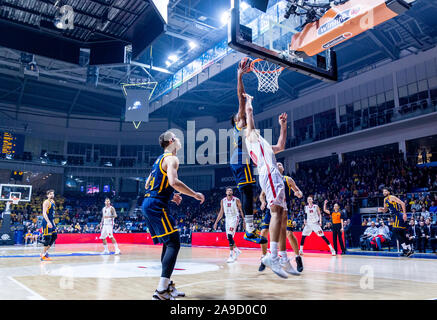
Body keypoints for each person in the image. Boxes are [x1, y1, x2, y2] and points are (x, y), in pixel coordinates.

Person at [142, 130, 205, 300]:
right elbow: (173, 182)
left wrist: (170, 196)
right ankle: (161, 290)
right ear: (171, 141)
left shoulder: (158, 160)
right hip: (156, 205)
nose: (178, 140)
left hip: (149, 203)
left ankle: (167, 285)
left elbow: (148, 183)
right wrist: (194, 194)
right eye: (176, 138)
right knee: (174, 243)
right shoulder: (172, 158)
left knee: (168, 242)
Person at [243, 92, 291, 278]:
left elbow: (281, 146)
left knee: (281, 213)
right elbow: (249, 116)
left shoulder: (262, 144)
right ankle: (272, 255)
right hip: (269, 173)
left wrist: (283, 126)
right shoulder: (251, 138)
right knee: (275, 212)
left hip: (271, 175)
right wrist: (249, 101)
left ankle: (280, 256)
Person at [229, 61, 266, 245]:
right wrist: (239, 76)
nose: (241, 114)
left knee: (247, 191)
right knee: (248, 191)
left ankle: (249, 229)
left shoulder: (241, 126)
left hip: (239, 159)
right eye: (239, 114)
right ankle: (249, 230)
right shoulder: (239, 121)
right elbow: (240, 98)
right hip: (240, 159)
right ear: (236, 119)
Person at [258, 162, 304, 273]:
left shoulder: (288, 179)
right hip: (271, 209)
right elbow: (262, 195)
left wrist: (299, 194)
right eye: (276, 164)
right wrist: (263, 202)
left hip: (284, 209)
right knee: (263, 232)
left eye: (280, 164)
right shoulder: (270, 180)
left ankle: (298, 257)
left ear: (283, 168)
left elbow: (298, 191)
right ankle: (264, 258)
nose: (278, 165)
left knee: (289, 234)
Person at [378, 187, 413, 257]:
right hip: (395, 216)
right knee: (402, 233)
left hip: (398, 215)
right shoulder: (385, 199)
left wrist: (405, 214)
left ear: (389, 192)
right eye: (383, 191)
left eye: (385, 191)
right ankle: (409, 249)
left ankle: (405, 249)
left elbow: (402, 203)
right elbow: (385, 210)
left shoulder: (392, 197)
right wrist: (381, 210)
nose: (384, 192)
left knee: (395, 231)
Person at [213, 187, 245, 263]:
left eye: (231, 190)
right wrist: (216, 222)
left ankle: (231, 255)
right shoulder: (223, 201)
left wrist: (244, 221)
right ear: (226, 192)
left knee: (230, 235)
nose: (229, 191)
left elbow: (241, 210)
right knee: (229, 238)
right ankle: (237, 250)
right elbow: (221, 212)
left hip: (234, 218)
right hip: (227, 218)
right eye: (228, 190)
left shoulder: (237, 200)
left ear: (232, 192)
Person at [41, 189, 58, 261]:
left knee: (54, 236)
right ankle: (43, 255)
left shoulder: (53, 202)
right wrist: (48, 222)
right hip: (46, 221)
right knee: (48, 238)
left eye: (53, 194)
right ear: (47, 195)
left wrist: (54, 224)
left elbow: (52, 215)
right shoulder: (46, 202)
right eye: (50, 194)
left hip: (51, 221)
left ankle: (45, 252)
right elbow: (44, 213)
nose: (52, 195)